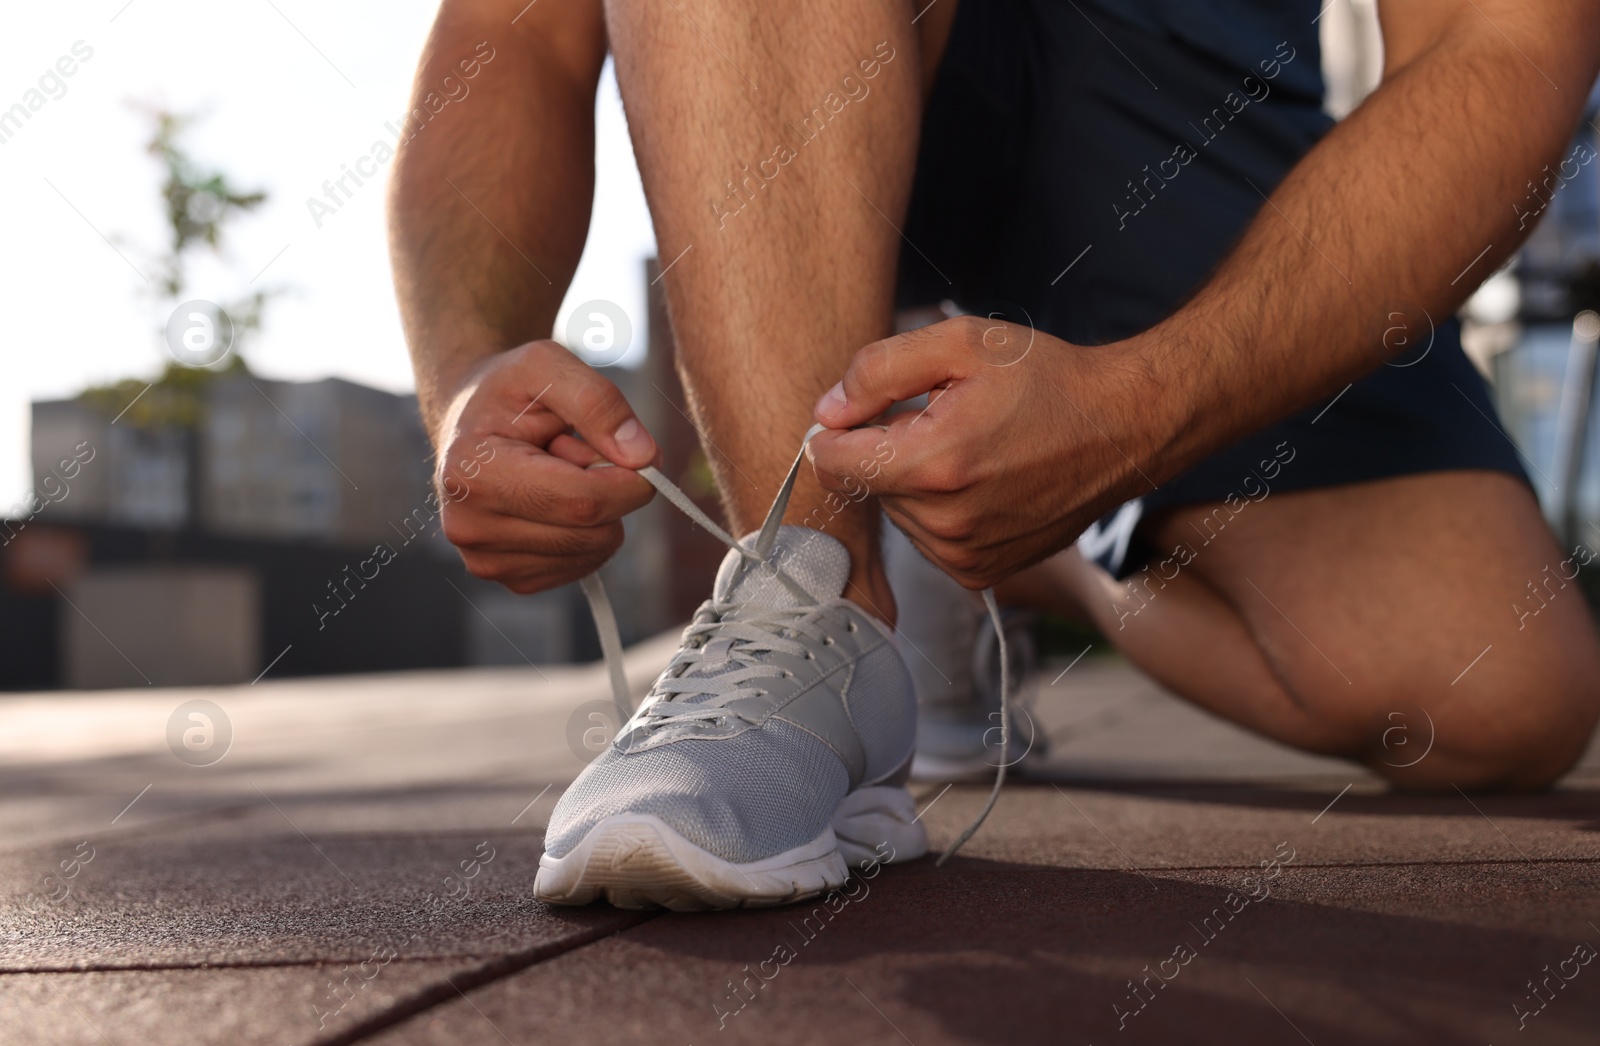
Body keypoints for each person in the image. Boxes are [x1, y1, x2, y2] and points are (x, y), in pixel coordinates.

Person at [389, 0, 1600, 909]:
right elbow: (519, 30)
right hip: (782, 55)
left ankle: (1030, 557)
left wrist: (1139, 410)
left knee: (1494, 698)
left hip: (1181, 80)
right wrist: (465, 377)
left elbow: (1499, 43)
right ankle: (812, 597)